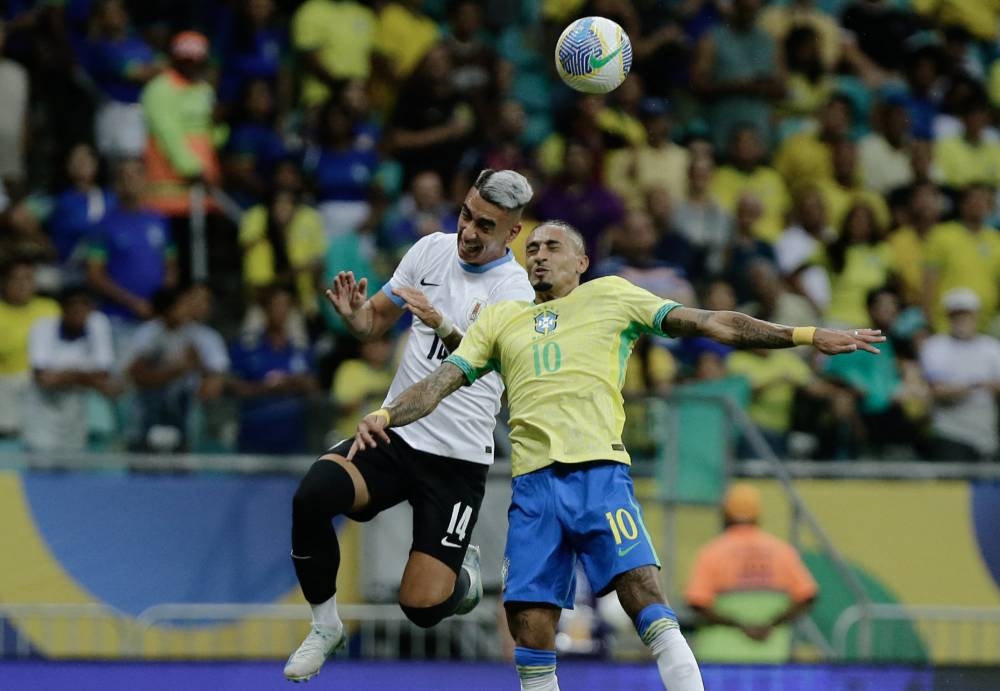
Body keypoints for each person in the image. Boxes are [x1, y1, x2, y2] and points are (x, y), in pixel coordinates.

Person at [347, 221, 882, 690]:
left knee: (642, 591)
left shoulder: (612, 296)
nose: (538, 253)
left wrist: (806, 335)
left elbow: (712, 323)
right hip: (533, 489)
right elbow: (440, 381)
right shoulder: (499, 320)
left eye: (552, 246)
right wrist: (388, 415)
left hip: (598, 474)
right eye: (532, 246)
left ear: (580, 261)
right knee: (528, 622)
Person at [283, 169, 536, 682]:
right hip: (396, 434)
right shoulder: (429, 251)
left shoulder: (516, 293)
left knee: (421, 608)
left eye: (485, 226)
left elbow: (473, 367)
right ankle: (325, 626)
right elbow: (377, 320)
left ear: (511, 233)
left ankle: (463, 585)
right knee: (313, 495)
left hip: (457, 460)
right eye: (465, 215)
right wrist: (356, 318)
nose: (467, 231)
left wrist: (442, 323)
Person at [684, 483, 818, 663]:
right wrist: (770, 624)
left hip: (720, 661)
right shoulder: (781, 551)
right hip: (771, 659)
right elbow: (808, 596)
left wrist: (741, 627)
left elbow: (697, 602)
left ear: (725, 513)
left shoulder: (712, 553)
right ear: (758, 514)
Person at [23, 285, 117, 452]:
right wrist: (85, 376)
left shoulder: (98, 324)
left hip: (77, 409)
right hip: (44, 409)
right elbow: (44, 380)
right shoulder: (42, 327)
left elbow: (104, 378)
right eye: (73, 305)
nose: (78, 310)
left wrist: (65, 374)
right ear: (62, 308)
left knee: (73, 466)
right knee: (41, 464)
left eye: (84, 305)